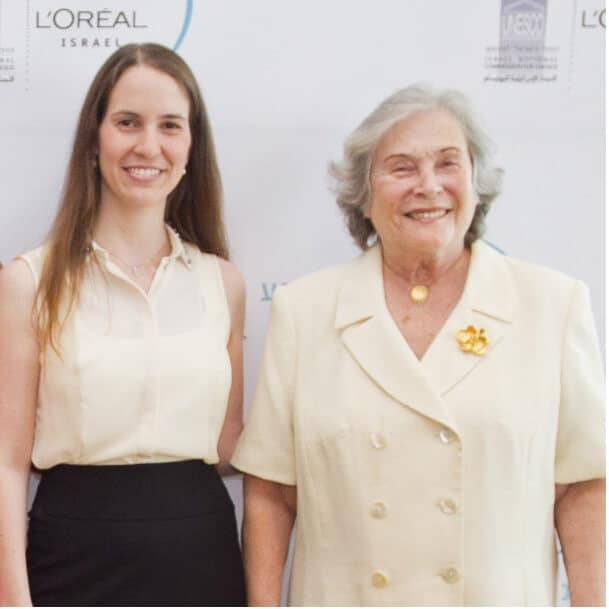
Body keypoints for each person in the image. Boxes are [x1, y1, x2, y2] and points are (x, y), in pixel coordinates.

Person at [231, 85, 605, 606]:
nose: (428, 186)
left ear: (477, 181)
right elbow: (272, 492)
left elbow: (582, 486)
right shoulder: (306, 310)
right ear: (363, 192)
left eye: (448, 163)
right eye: (402, 168)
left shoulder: (552, 305)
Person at [0, 43, 246, 606]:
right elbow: (7, 463)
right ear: (94, 140)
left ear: (191, 147)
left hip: (202, 559)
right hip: (70, 559)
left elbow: (233, 447)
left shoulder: (223, 283)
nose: (148, 146)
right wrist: (13, 599)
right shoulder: (28, 282)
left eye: (170, 126)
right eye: (128, 123)